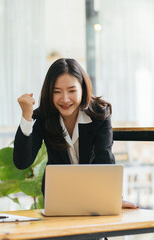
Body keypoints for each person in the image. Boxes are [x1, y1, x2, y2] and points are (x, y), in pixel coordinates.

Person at [13, 58, 137, 209]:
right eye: (57, 92)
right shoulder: (44, 118)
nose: (65, 99)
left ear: (83, 89)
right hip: (58, 198)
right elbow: (22, 162)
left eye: (72, 91)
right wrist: (26, 116)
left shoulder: (99, 115)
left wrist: (114, 197)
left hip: (95, 196)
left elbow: (104, 158)